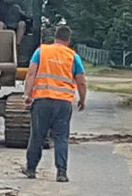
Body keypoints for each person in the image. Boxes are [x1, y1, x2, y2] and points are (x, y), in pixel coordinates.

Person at [21, 24, 88, 182]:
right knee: (61, 137)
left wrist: (27, 95)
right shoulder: (73, 56)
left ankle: (31, 169)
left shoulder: (41, 51)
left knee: (37, 135)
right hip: (63, 103)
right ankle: (61, 173)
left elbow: (31, 73)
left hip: (42, 101)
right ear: (68, 39)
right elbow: (81, 81)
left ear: (55, 37)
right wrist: (82, 100)